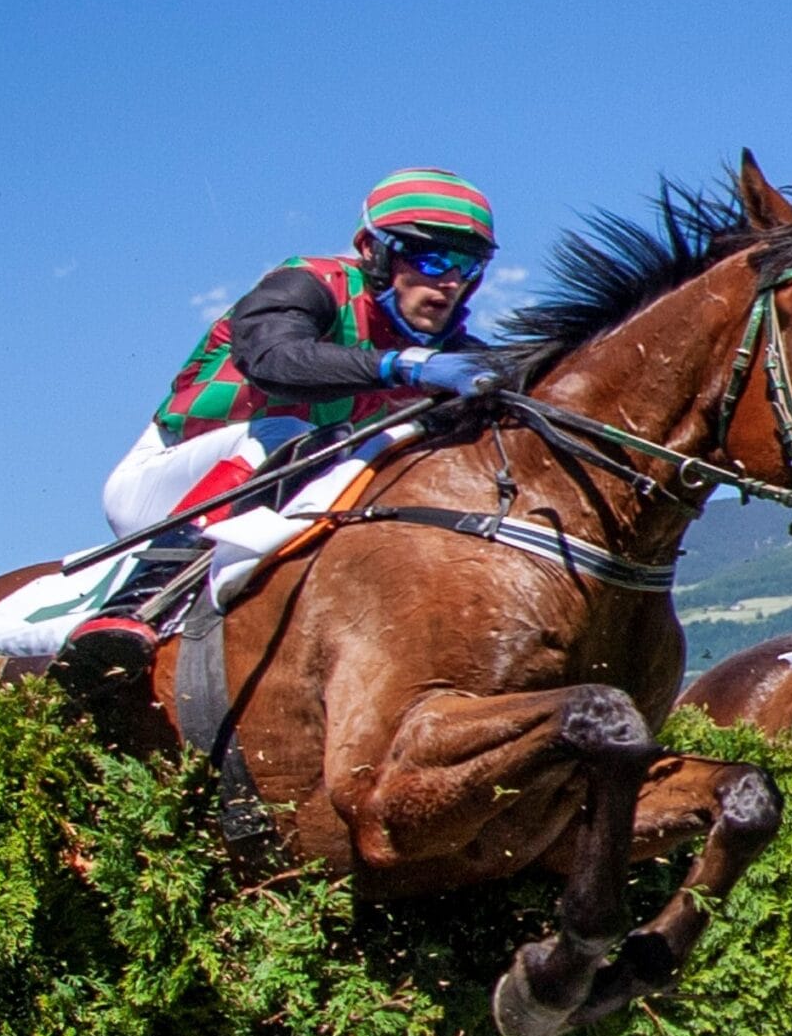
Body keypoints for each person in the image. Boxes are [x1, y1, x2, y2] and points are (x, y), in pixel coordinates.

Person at [54, 167, 503, 696]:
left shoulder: (456, 354)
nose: (449, 281)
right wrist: (403, 366)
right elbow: (274, 359)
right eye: (430, 259)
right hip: (171, 488)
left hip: (291, 502)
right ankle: (132, 606)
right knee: (285, 431)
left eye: (467, 265)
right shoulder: (306, 285)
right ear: (373, 251)